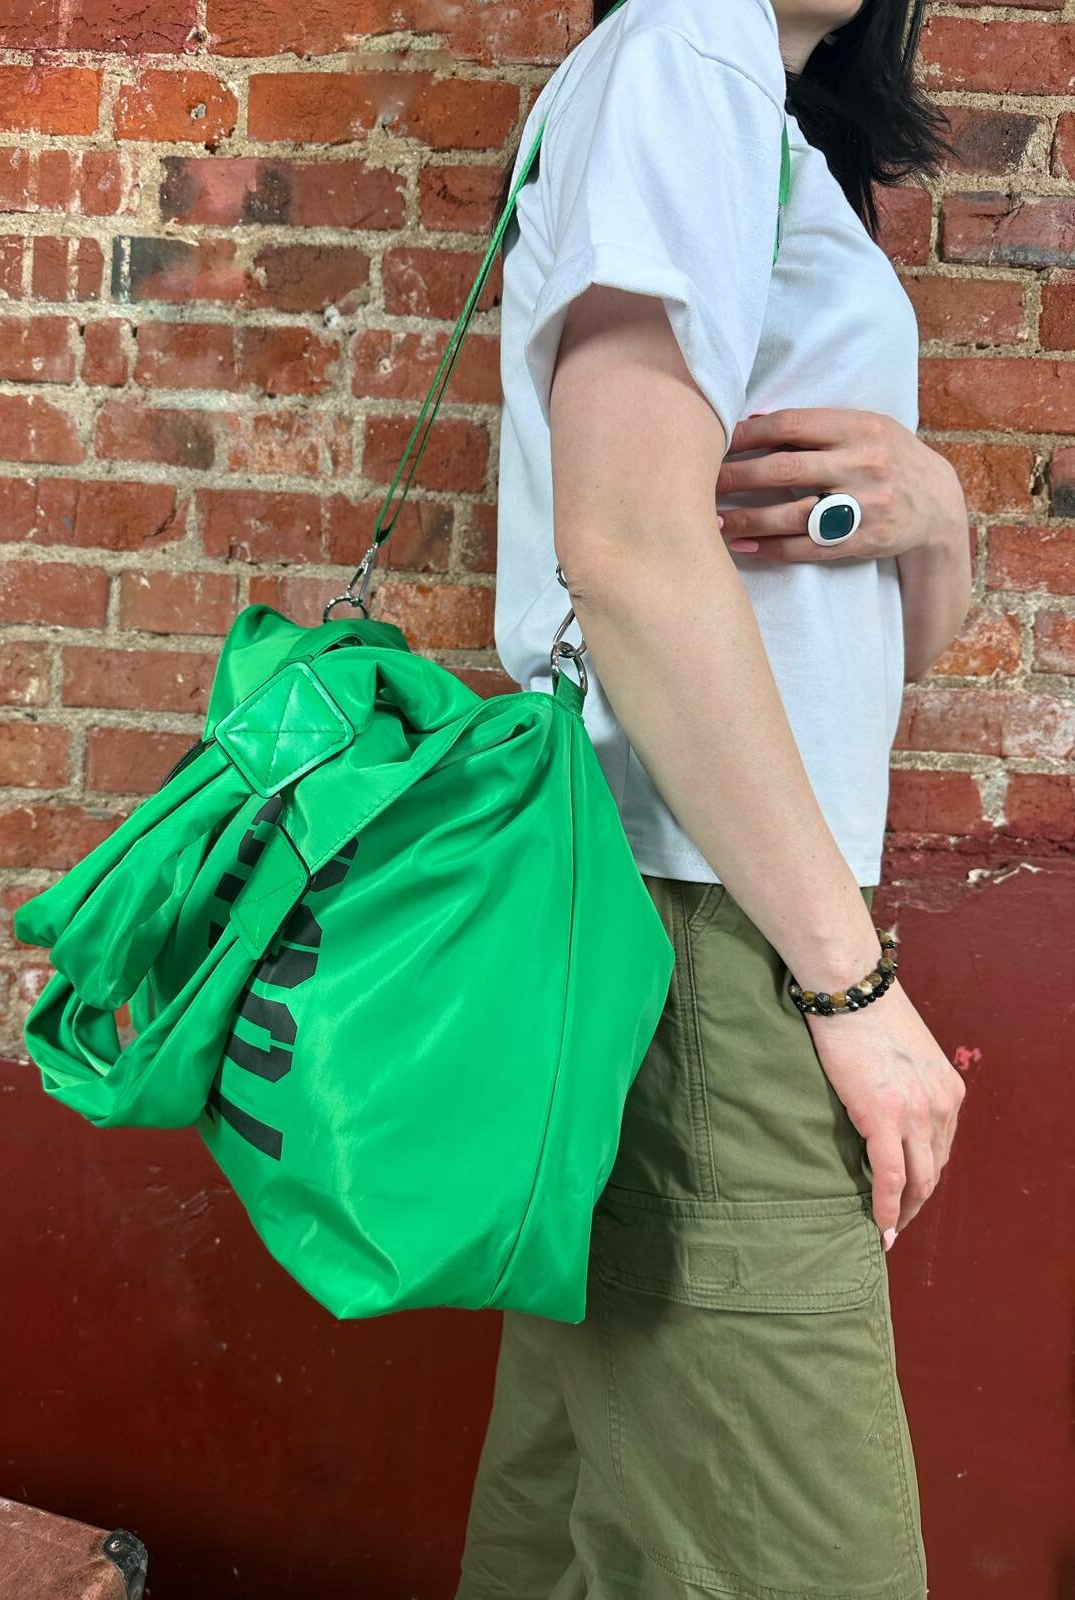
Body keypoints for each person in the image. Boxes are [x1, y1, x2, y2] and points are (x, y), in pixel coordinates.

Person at [455, 0, 970, 1595]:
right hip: (711, 938)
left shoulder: (756, 105)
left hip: (697, 911)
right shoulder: (685, 47)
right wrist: (848, 983)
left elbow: (869, 651)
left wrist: (940, 514)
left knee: (568, 1537)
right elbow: (623, 548)